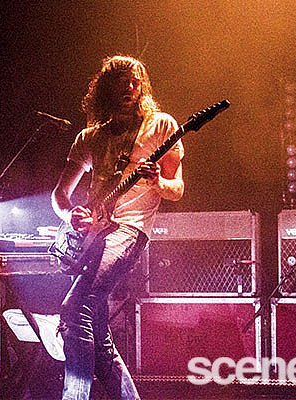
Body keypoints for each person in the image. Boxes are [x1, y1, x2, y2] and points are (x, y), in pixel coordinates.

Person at [51, 54, 185, 400]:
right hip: (93, 237)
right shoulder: (89, 137)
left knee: (74, 308)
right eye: (122, 81)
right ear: (106, 89)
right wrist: (71, 215)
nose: (130, 86)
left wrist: (156, 181)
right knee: (99, 339)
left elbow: (177, 190)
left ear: (143, 87)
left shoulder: (161, 126)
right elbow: (59, 195)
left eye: (136, 81)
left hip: (129, 231)